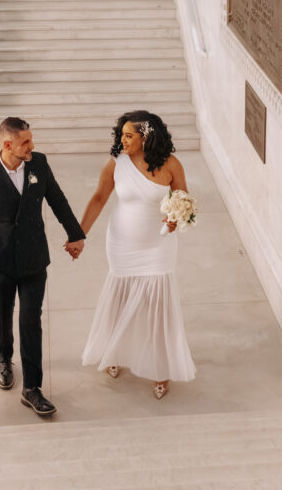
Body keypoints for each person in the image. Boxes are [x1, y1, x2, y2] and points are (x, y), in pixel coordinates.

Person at [0, 116, 85, 418]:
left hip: (33, 260)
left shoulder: (38, 164)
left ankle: (32, 388)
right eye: (25, 142)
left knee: (31, 321)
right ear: (7, 145)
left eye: (31, 140)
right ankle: (5, 358)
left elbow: (57, 199)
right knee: (2, 315)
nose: (32, 146)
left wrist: (76, 234)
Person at [72, 110, 196, 399]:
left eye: (129, 135)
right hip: (122, 244)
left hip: (159, 246)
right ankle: (114, 352)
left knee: (157, 305)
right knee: (122, 298)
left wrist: (176, 220)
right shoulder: (116, 164)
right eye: (122, 134)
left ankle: (162, 368)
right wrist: (79, 235)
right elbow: (100, 198)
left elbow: (184, 201)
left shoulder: (171, 165)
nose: (122, 140)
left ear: (146, 137)